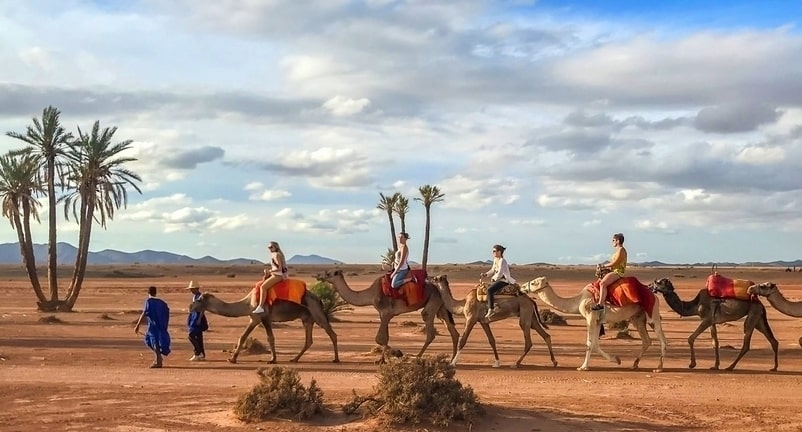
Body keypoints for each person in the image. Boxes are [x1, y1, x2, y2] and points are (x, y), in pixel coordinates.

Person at [133, 286, 171, 368]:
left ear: (148, 292)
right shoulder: (161, 303)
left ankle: (158, 361)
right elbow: (166, 312)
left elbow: (145, 313)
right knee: (153, 342)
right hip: (161, 326)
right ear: (155, 292)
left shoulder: (149, 301)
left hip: (153, 327)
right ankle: (158, 358)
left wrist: (137, 325)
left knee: (152, 342)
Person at [592, 233, 628, 311]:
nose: (612, 242)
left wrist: (603, 266)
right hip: (614, 270)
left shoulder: (621, 250)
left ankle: (600, 304)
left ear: (618, 241)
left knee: (603, 284)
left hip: (618, 272)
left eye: (613, 240)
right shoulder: (618, 250)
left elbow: (616, 262)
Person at [481, 245, 516, 319]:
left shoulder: (502, 261)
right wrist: (486, 274)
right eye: (493, 251)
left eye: (494, 251)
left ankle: (491, 309)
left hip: (504, 280)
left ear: (499, 252)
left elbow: (500, 272)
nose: (492, 253)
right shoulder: (495, 260)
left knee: (489, 290)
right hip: (498, 280)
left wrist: (494, 278)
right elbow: (493, 270)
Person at [253, 241, 288, 314]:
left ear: (276, 247)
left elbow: (279, 268)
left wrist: (270, 271)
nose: (270, 249)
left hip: (277, 276)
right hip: (275, 274)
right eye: (269, 247)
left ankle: (260, 306)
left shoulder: (277, 255)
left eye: (271, 247)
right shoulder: (274, 255)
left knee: (263, 287)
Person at [186, 280, 209, 361]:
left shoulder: (200, 297)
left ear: (196, 288)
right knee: (198, 337)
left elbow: (202, 309)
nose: (191, 290)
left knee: (191, 335)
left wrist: (199, 319)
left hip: (197, 317)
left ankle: (198, 352)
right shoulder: (195, 297)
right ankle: (201, 354)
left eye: (192, 289)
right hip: (194, 317)